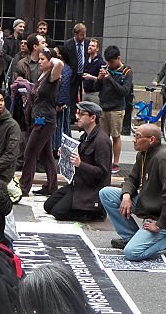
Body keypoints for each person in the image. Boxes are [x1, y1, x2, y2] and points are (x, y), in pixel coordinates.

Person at [99, 124, 166, 261]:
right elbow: (132, 179)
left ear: (151, 140)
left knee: (132, 253)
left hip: (164, 215)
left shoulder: (163, 159)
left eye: (138, 137)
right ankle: (131, 237)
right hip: (148, 204)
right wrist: (126, 195)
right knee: (106, 193)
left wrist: (160, 224)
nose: (134, 140)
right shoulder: (143, 154)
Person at [44, 100, 111, 222]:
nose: (77, 116)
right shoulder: (86, 135)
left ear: (93, 118)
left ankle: (96, 213)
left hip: (91, 189)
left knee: (58, 212)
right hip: (79, 183)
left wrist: (81, 164)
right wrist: (65, 152)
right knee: (48, 205)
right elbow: (77, 153)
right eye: (77, 113)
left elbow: (103, 172)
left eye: (81, 114)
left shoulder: (102, 141)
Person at [18, 46, 61, 198]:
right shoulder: (42, 75)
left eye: (43, 59)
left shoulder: (52, 75)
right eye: (40, 59)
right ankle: (51, 186)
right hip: (39, 119)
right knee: (46, 156)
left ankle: (24, 186)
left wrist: (52, 57)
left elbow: (60, 65)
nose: (40, 61)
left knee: (30, 153)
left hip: (45, 120)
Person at [89, 44, 133, 174]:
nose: (109, 64)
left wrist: (110, 79)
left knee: (115, 136)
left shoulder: (127, 71)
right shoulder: (105, 68)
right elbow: (96, 88)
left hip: (117, 109)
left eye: (112, 62)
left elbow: (124, 91)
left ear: (118, 58)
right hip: (103, 107)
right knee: (103, 137)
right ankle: (104, 160)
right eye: (108, 62)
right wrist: (99, 79)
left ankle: (116, 162)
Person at [61, 22, 88, 124]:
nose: (84, 37)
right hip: (73, 74)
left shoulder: (87, 43)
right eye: (81, 34)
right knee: (71, 95)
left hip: (85, 74)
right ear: (75, 34)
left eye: (85, 34)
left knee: (84, 96)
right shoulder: (68, 44)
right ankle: (71, 116)